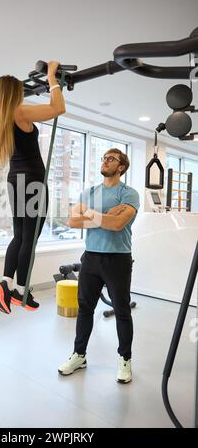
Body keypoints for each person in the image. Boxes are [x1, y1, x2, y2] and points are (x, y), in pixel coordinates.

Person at [0, 61, 66, 314]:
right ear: (15, 94)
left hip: (15, 179)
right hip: (33, 181)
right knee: (31, 237)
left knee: (20, 235)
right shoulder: (21, 112)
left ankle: (7, 283)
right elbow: (58, 107)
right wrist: (51, 77)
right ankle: (21, 289)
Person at [58, 149, 140, 383]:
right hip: (91, 258)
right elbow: (72, 220)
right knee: (84, 309)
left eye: (111, 158)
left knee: (122, 311)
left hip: (118, 259)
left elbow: (118, 225)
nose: (105, 161)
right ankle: (79, 355)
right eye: (104, 158)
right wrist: (104, 215)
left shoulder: (129, 194)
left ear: (121, 166)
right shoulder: (89, 192)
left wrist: (90, 215)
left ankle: (125, 360)